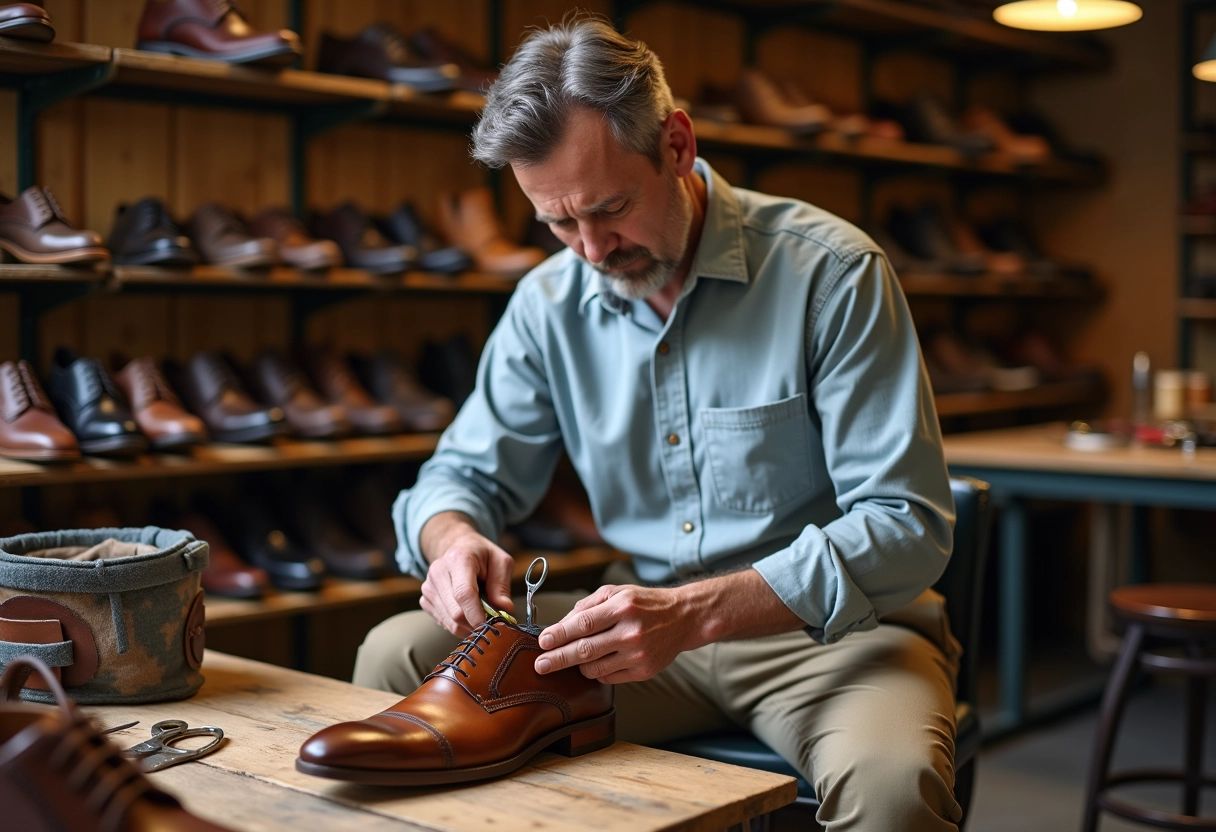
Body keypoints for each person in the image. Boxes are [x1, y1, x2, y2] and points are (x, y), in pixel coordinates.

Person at [355, 16, 961, 831]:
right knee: (393, 653)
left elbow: (907, 524)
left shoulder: (833, 274)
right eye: (559, 224)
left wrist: (697, 613)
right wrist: (450, 540)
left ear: (676, 144)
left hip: (831, 642)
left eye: (610, 209)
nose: (593, 250)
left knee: (892, 792)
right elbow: (460, 476)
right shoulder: (546, 304)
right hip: (631, 644)